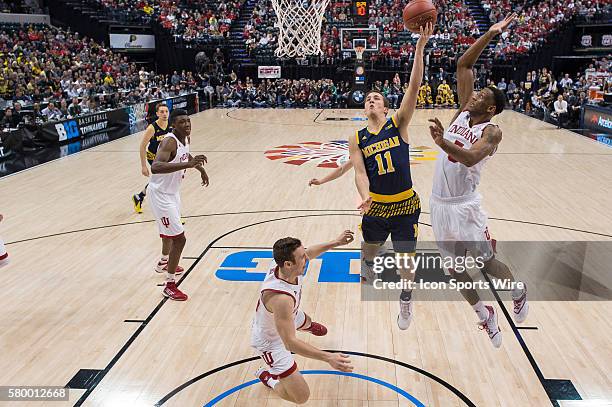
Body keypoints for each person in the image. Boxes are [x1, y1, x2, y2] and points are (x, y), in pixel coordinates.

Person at [427, 13, 528, 348]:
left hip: (466, 207)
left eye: (483, 94)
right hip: (440, 204)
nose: (475, 94)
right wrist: (491, 33)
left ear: (493, 108)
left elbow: (470, 157)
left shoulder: (491, 131)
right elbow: (463, 64)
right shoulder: (463, 112)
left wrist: (442, 141)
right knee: (455, 270)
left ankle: (517, 290)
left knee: (486, 262)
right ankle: (485, 315)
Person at [349, 23, 433, 330]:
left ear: (386, 107)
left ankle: (406, 299)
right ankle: (368, 263)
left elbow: (413, 87)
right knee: (369, 251)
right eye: (368, 99)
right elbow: (359, 171)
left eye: (376, 99)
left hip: (405, 205)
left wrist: (419, 49)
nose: (371, 101)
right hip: (377, 206)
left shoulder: (397, 124)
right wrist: (365, 195)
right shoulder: (357, 137)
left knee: (405, 264)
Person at [252, 231, 355, 404]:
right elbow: (290, 343)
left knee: (304, 319)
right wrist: (328, 357)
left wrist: (335, 242)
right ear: (288, 264)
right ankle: (268, 377)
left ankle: (307, 325)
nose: (306, 258)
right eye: (301, 257)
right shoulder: (281, 299)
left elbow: (311, 252)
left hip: (288, 315)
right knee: (301, 397)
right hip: (271, 342)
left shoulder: (284, 266)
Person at [148, 109, 209, 301]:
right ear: (174, 125)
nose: (187, 124)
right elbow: (156, 166)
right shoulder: (169, 141)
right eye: (182, 122)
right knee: (179, 239)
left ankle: (163, 263)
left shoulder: (185, 139)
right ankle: (169, 284)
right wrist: (188, 166)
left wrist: (199, 169)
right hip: (160, 195)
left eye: (188, 121)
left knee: (168, 234)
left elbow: (185, 157)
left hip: (172, 194)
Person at [132, 103, 172, 214]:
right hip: (153, 157)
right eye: (162, 112)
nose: (164, 114)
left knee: (159, 181)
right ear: (157, 114)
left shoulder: (171, 125)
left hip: (166, 157)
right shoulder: (152, 128)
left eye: (166, 111)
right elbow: (142, 146)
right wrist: (143, 166)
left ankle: (139, 197)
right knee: (165, 181)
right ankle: (170, 210)